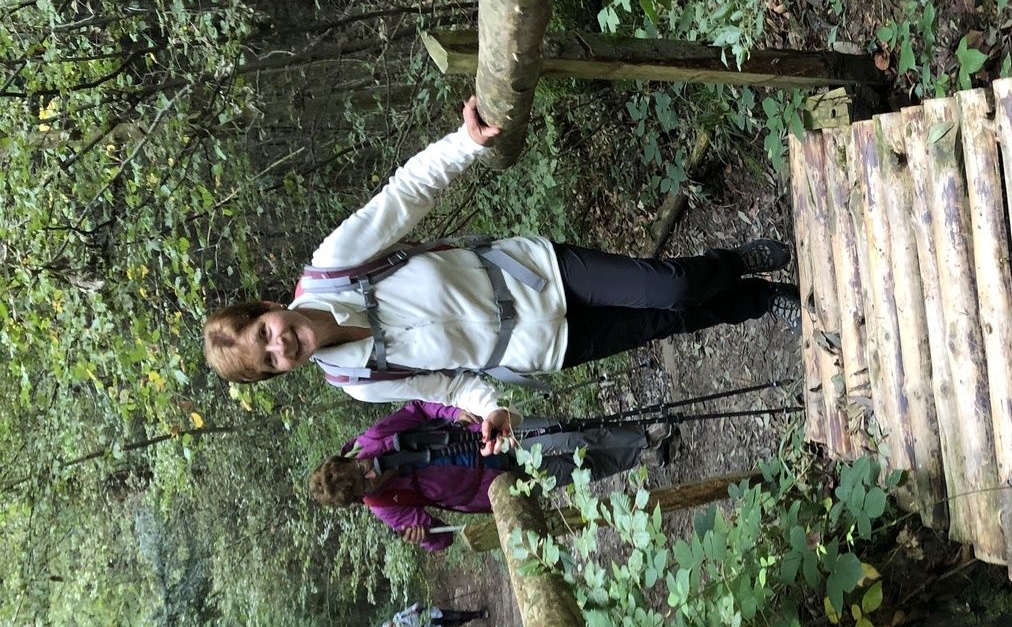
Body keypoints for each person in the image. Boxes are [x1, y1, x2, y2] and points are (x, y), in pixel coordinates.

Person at [203, 97, 799, 452]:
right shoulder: (359, 381)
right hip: (543, 347)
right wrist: (490, 409)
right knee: (668, 322)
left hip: (535, 275)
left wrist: (465, 144)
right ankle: (761, 301)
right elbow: (449, 386)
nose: (280, 345)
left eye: (264, 334)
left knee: (672, 287)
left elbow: (407, 194)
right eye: (270, 362)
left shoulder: (337, 264)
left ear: (266, 310)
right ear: (282, 372)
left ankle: (736, 263)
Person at [310, 398, 662, 551]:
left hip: (483, 437)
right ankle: (640, 454)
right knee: (572, 469)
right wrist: (426, 537)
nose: (369, 472)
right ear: (360, 497)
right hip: (495, 487)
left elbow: (417, 409)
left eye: (360, 467)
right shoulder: (385, 505)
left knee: (568, 433)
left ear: (348, 458)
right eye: (363, 483)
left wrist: (453, 411)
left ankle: (645, 435)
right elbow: (443, 537)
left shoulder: (372, 440)